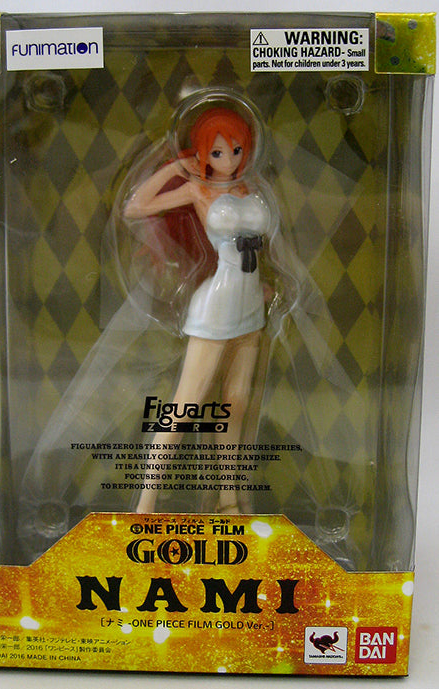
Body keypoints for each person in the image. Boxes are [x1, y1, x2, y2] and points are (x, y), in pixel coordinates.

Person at [124, 106, 276, 513]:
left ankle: (228, 501)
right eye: (217, 152)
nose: (229, 160)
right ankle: (145, 504)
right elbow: (136, 207)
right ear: (203, 153)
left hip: (250, 304)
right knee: (184, 406)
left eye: (237, 150)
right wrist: (177, 166)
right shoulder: (197, 190)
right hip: (218, 304)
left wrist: (263, 285)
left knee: (236, 402)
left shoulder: (248, 189)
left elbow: (257, 247)